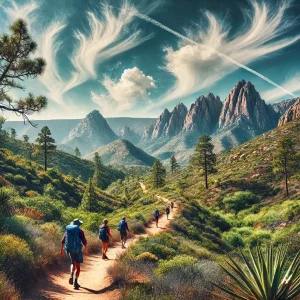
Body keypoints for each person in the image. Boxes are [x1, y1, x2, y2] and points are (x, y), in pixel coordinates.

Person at [60, 218, 88, 290]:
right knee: (78, 267)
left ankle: (71, 275)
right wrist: (86, 249)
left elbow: (63, 241)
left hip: (70, 250)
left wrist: (62, 250)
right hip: (78, 250)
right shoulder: (80, 231)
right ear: (79, 225)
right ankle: (75, 282)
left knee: (73, 263)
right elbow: (84, 241)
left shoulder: (68, 231)